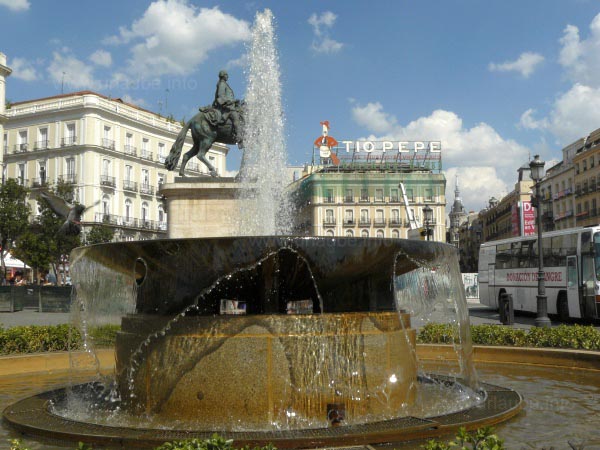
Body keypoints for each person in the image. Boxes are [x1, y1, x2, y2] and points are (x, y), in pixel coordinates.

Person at [213, 70, 242, 144]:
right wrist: (228, 102)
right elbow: (220, 95)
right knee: (235, 118)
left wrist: (234, 102)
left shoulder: (224, 84)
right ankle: (239, 136)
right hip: (226, 107)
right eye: (226, 75)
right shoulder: (222, 84)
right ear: (223, 76)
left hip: (229, 105)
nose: (227, 76)